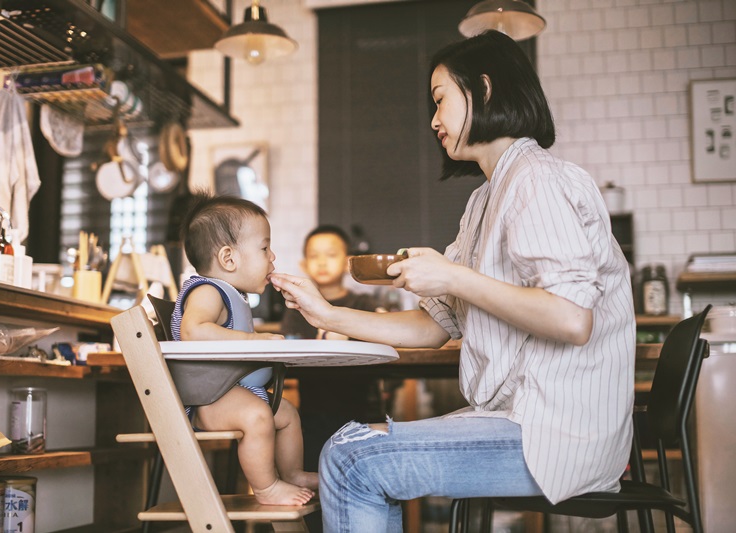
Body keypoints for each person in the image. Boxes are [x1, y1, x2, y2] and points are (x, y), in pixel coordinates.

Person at [270, 30, 635, 532]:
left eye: (440, 100)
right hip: (519, 423)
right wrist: (329, 315)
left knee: (351, 458)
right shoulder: (485, 200)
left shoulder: (537, 179)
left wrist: (454, 276)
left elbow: (572, 319)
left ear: (483, 91)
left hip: (556, 435)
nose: (433, 120)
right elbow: (432, 326)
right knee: (348, 446)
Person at [172, 191, 317, 506]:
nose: (273, 257)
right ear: (228, 258)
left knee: (287, 413)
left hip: (230, 391)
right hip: (208, 399)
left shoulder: (232, 294)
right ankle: (266, 487)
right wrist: (256, 341)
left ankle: (292, 473)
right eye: (265, 248)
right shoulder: (208, 291)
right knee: (258, 417)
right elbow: (193, 330)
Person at [280, 225, 385, 473]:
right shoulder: (296, 309)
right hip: (313, 412)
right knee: (316, 471)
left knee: (367, 473)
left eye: (330, 254)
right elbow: (292, 347)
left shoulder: (363, 304)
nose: (322, 262)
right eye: (314, 256)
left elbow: (380, 343)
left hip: (364, 411)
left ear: (348, 262)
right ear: (304, 264)